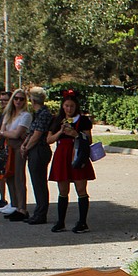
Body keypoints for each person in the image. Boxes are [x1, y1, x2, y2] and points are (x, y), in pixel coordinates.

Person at [47, 90, 95, 233]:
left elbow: (89, 139)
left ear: (76, 107)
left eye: (71, 106)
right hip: (62, 155)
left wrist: (75, 134)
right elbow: (48, 139)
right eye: (66, 106)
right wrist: (61, 132)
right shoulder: (57, 120)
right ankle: (61, 221)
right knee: (63, 189)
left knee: (81, 188)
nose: (69, 109)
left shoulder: (83, 120)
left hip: (77, 153)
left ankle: (82, 222)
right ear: (63, 106)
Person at [0, 88, 32, 220]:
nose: (18, 101)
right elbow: (2, 131)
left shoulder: (26, 115)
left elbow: (17, 134)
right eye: (16, 98)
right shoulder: (8, 114)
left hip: (18, 148)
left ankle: (22, 208)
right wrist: (5, 133)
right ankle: (15, 204)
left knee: (19, 177)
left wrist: (4, 133)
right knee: (8, 176)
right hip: (8, 146)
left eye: (21, 99)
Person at [22, 87, 53, 224]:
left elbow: (37, 135)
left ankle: (41, 213)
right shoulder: (38, 113)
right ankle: (38, 211)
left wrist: (26, 148)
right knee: (36, 182)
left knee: (39, 182)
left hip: (39, 149)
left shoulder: (43, 114)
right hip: (35, 149)